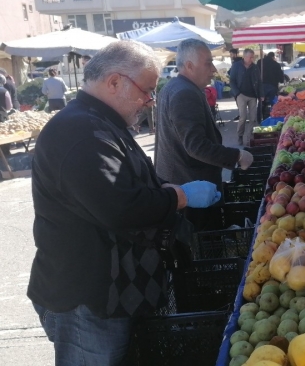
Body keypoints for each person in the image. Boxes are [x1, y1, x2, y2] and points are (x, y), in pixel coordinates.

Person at [27, 40, 221, 365]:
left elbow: (129, 182)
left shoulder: (100, 122)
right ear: (115, 82)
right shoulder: (80, 132)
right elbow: (119, 207)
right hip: (87, 299)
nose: (150, 100)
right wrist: (180, 196)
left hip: (111, 293)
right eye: (147, 90)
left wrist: (167, 188)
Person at [156, 39, 253, 231]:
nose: (214, 69)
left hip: (182, 184)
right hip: (191, 189)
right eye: (208, 63)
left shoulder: (174, 87)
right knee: (202, 238)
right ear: (189, 66)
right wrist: (237, 156)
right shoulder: (185, 93)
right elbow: (196, 146)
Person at [229, 48, 263, 146]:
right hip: (241, 95)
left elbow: (259, 82)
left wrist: (261, 94)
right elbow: (232, 81)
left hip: (253, 95)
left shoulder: (255, 67)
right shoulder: (236, 66)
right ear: (244, 56)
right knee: (243, 117)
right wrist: (237, 93)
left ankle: (250, 137)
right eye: (250, 57)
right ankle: (240, 135)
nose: (252, 59)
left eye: (253, 57)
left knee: (253, 118)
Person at [256, 51, 284, 122]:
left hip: (262, 86)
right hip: (272, 86)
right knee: (273, 102)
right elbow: (281, 77)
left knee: (261, 102)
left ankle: (259, 119)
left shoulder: (260, 62)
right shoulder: (276, 64)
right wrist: (281, 80)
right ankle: (273, 118)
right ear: (273, 57)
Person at [228, 48, 243, 121]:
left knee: (239, 100)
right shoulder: (238, 61)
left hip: (238, 85)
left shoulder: (237, 62)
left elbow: (232, 72)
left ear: (235, 54)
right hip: (238, 84)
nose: (230, 56)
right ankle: (241, 114)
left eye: (231, 54)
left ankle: (241, 115)